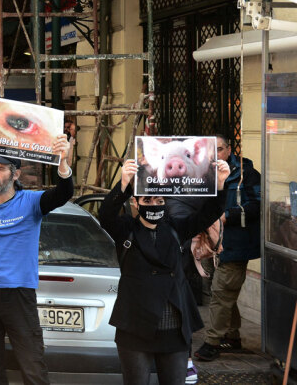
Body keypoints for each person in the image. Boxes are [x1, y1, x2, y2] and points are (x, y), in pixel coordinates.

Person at [99, 158, 231, 385]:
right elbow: (106, 215)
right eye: (147, 199)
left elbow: (208, 213)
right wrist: (123, 183)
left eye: (159, 200)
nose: (153, 204)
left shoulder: (176, 228)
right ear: (136, 203)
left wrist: (219, 184)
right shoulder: (125, 230)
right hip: (135, 327)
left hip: (174, 329)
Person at [0, 137, 73, 385]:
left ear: (15, 174)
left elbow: (63, 194)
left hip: (18, 294)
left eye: (0, 169)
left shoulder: (30, 202)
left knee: (32, 363)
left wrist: (63, 163)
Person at [193, 134, 261, 362]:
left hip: (235, 245)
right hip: (210, 245)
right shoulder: (204, 173)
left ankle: (212, 342)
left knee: (221, 293)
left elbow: (256, 206)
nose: (215, 155)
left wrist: (226, 217)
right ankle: (231, 336)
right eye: (210, 151)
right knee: (218, 290)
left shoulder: (246, 174)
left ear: (229, 149)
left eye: (219, 150)